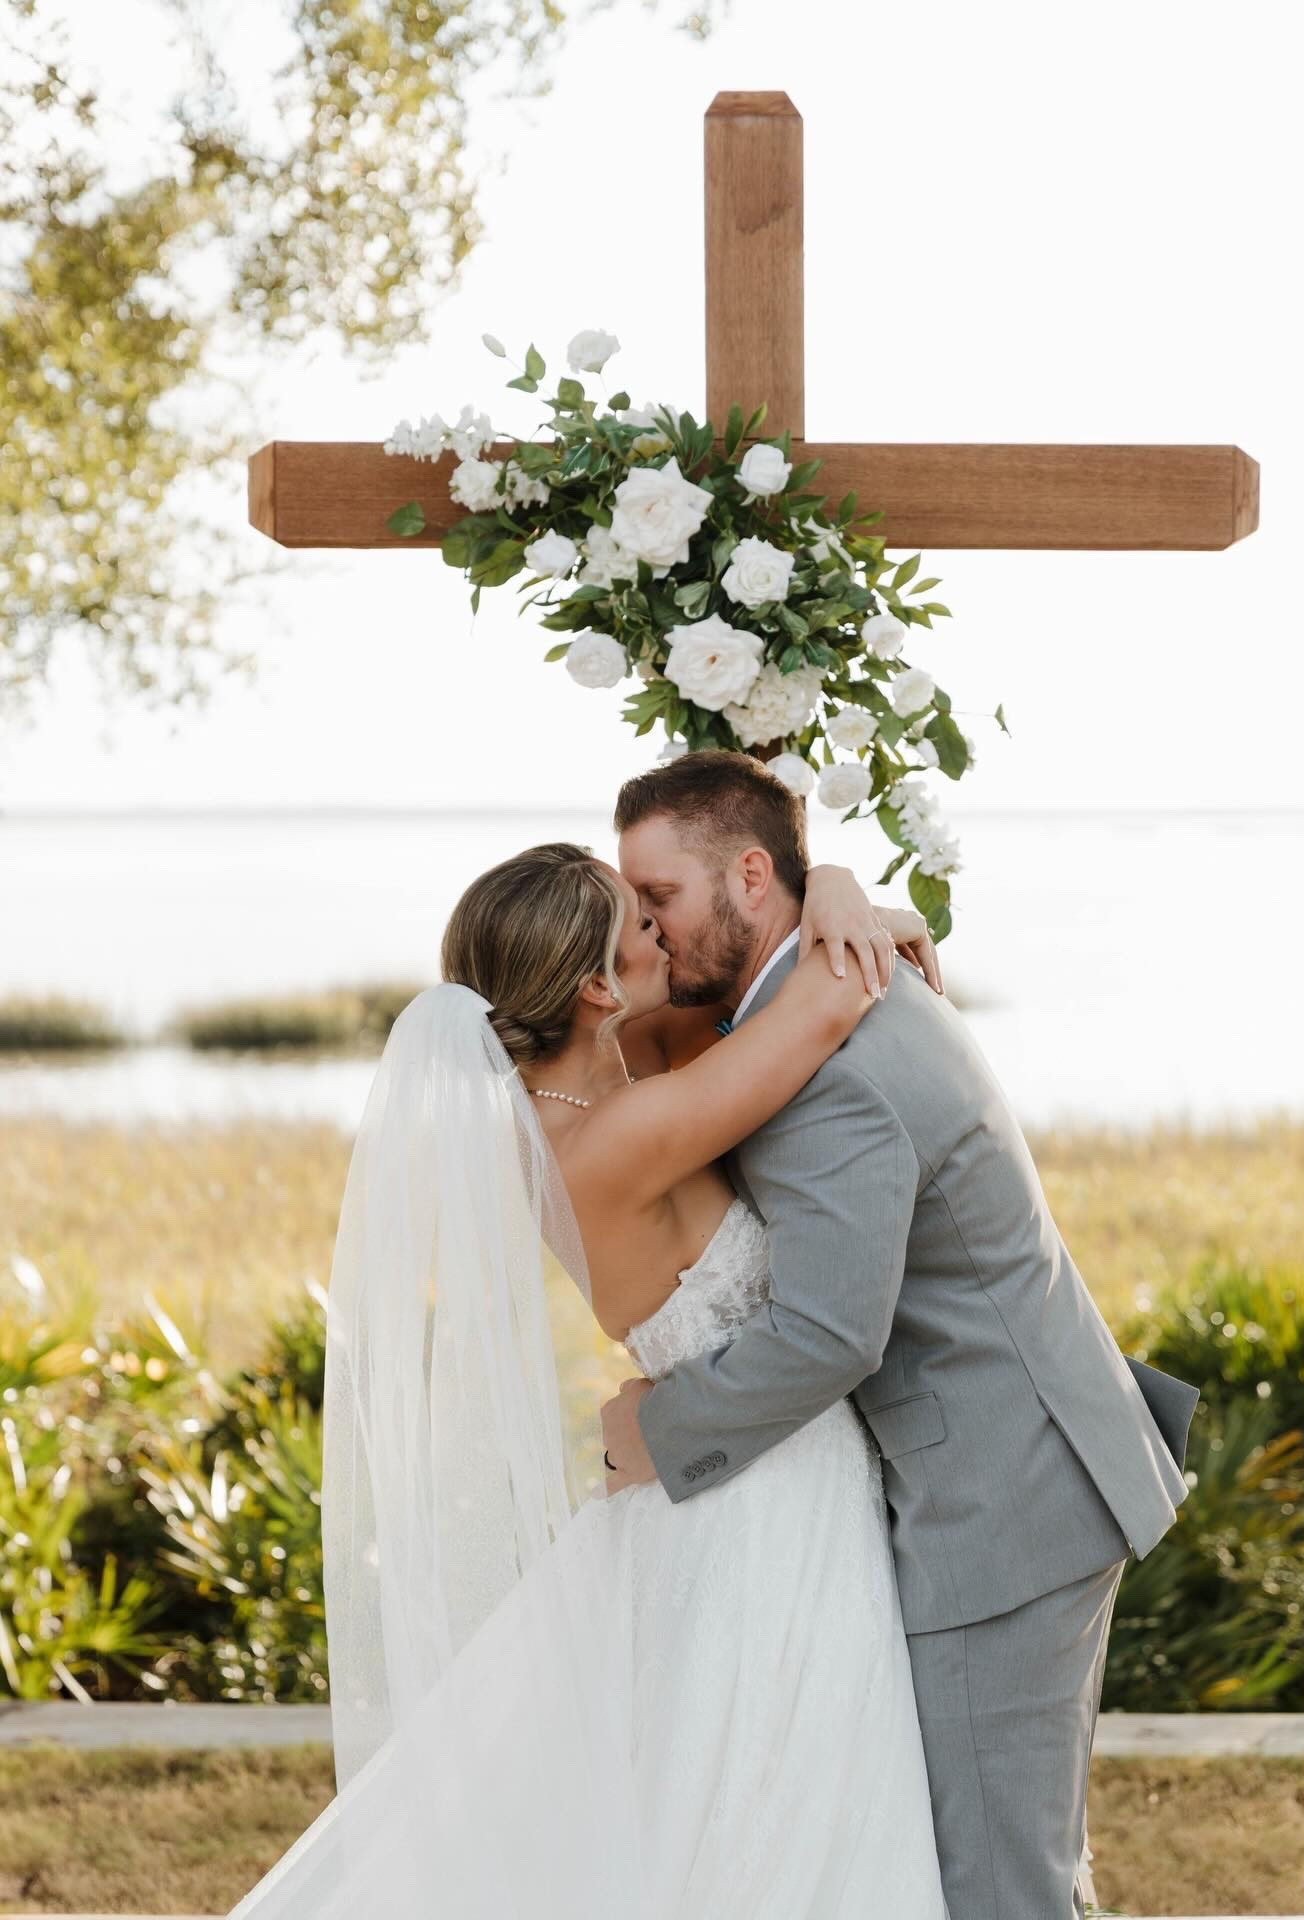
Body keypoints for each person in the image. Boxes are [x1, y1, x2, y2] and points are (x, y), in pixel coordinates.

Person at [227, 837, 953, 1919]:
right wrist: (838, 896)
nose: (667, 931)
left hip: (722, 1461)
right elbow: (825, 1002)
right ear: (598, 985)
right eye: (644, 926)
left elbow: (754, 983)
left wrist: (829, 883)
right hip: (765, 1489)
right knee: (776, 1795)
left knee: (717, 1793)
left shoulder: (577, 1098)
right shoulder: (625, 1134)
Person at [600, 749, 1201, 1920]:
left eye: (658, 899)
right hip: (1018, 1467)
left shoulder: (831, 1065)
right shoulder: (817, 992)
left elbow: (829, 1335)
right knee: (1005, 1857)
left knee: (995, 1884)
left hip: (1003, 1499)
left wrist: (654, 1433)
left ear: (754, 878)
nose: (647, 930)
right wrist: (841, 886)